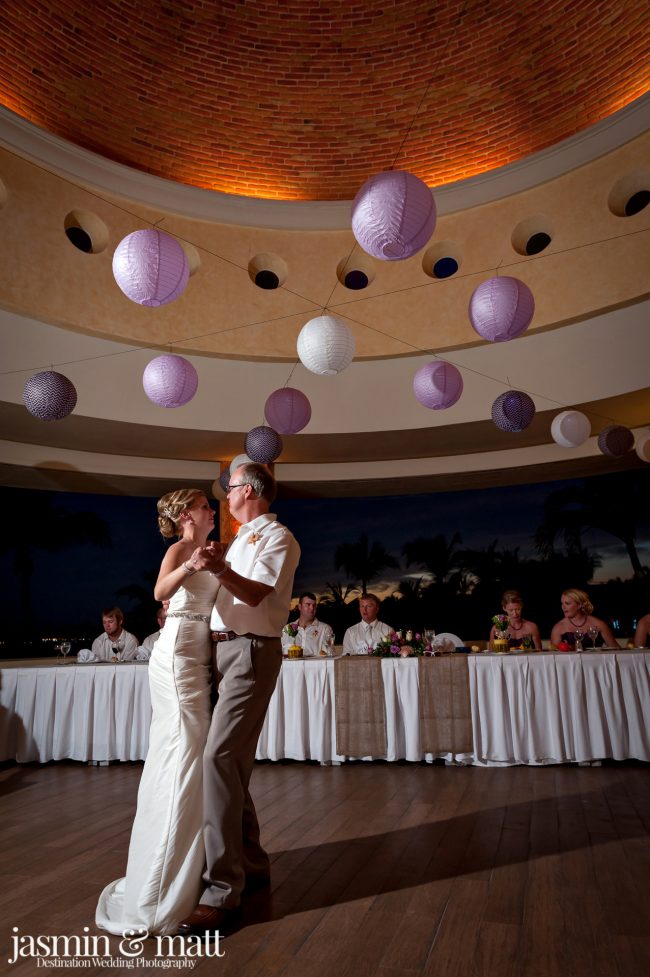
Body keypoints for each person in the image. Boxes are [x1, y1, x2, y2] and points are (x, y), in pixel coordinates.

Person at [178, 462, 300, 936]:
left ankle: (221, 892)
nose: (225, 497)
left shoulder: (278, 538)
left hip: (250, 652)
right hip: (220, 651)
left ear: (248, 489)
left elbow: (254, 596)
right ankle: (252, 864)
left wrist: (220, 568)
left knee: (218, 758)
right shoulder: (237, 539)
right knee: (230, 764)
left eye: (228, 489)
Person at [96, 487, 219, 936]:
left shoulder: (208, 550)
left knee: (187, 758)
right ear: (188, 514)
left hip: (197, 658)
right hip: (176, 660)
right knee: (185, 757)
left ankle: (186, 872)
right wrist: (193, 563)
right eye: (207, 505)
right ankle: (161, 890)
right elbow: (160, 590)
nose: (213, 510)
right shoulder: (181, 548)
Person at [550, 588, 619, 649]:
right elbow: (553, 654)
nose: (563, 607)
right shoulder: (558, 628)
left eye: (567, 603)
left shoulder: (599, 624)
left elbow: (616, 649)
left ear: (579, 605)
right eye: (562, 603)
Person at [281, 591, 334, 656]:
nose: (312, 608)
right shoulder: (287, 629)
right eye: (308, 604)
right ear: (299, 607)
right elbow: (280, 653)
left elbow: (326, 654)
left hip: (315, 666)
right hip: (290, 666)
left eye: (314, 605)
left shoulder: (324, 629)